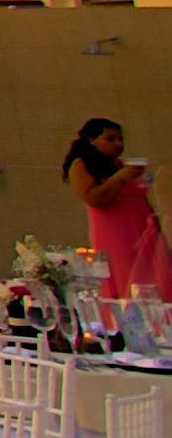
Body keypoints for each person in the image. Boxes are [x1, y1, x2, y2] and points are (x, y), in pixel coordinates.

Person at [65, 119, 171, 302]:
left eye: (120, 139)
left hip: (143, 230)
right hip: (115, 232)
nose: (118, 144)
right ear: (92, 140)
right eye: (110, 139)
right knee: (128, 274)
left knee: (155, 274)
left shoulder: (121, 165)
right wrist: (120, 178)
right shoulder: (81, 166)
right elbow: (94, 199)